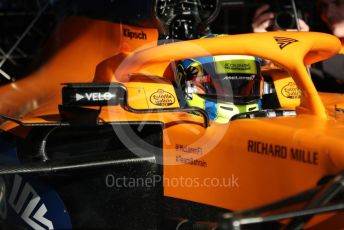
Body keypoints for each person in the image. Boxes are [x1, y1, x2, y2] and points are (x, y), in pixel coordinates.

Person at [251, 1, 344, 92]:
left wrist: (305, 49)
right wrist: (262, 50)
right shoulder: (324, 39)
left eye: (337, 3)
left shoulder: (321, 45)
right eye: (323, 6)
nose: (328, 13)